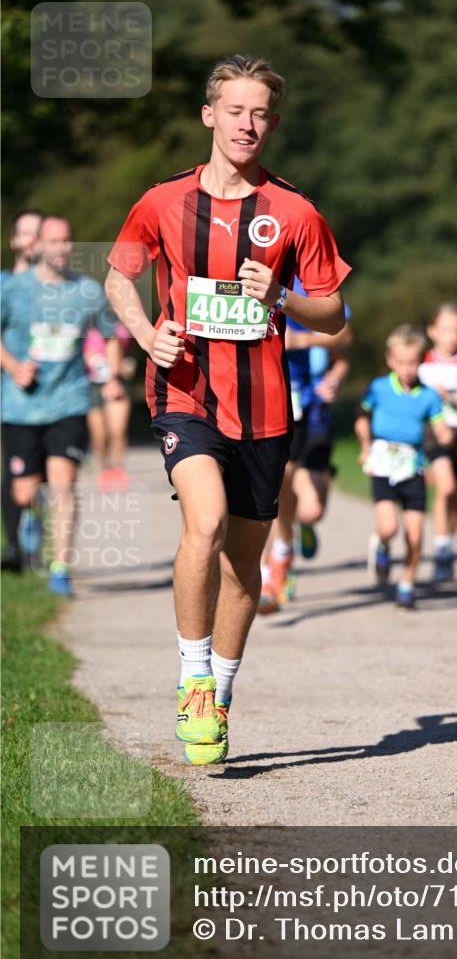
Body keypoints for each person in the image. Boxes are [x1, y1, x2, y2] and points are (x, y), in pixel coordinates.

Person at [104, 55, 350, 766]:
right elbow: (120, 275)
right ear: (209, 115)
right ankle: (191, 681)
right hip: (186, 394)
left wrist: (279, 298)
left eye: (260, 114)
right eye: (235, 110)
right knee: (203, 522)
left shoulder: (295, 212)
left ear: (272, 123)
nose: (247, 124)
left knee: (246, 567)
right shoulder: (162, 201)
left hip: (266, 409)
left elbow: (331, 314)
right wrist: (148, 334)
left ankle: (222, 689)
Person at [0, 215, 123, 595]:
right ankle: (31, 517)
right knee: (23, 491)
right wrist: (13, 366)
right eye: (53, 241)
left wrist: (112, 377)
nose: (61, 248)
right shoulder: (14, 289)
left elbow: (111, 333)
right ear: (38, 246)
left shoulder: (86, 291)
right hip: (21, 405)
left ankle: (60, 566)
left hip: (69, 400)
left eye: (67, 240)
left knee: (64, 483)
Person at [259, 278, 352, 613]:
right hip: (282, 401)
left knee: (311, 509)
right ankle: (281, 556)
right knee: (282, 479)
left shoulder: (316, 282)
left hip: (317, 412)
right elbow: (266, 339)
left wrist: (335, 376)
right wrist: (314, 335)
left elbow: (342, 337)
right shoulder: (263, 279)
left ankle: (300, 528)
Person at [355, 324, 452, 610]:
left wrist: (447, 433)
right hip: (383, 464)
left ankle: (407, 584)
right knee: (388, 527)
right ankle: (382, 545)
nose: (408, 369)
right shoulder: (379, 388)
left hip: (413, 467)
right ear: (390, 360)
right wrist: (364, 446)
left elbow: (440, 428)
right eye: (402, 362)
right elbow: (362, 416)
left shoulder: (429, 396)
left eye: (413, 362)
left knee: (415, 534)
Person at [418, 302, 457, 581]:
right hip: (434, 434)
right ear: (432, 331)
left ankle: (449, 544)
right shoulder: (422, 363)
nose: (451, 336)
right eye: (445, 330)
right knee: (446, 487)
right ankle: (440, 550)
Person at [1, 209, 43, 572]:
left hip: (57, 397)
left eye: (38, 233)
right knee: (16, 474)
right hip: (14, 398)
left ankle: (37, 541)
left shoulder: (59, 286)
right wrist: (14, 366)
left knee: (48, 473)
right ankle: (14, 547)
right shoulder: (3, 285)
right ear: (15, 240)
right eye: (26, 233)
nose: (32, 239)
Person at [84, 321, 135, 491]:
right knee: (99, 433)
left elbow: (128, 352)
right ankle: (105, 467)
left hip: (118, 382)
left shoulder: (122, 323)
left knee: (118, 430)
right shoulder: (85, 323)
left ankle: (118, 468)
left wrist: (125, 365)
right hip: (93, 384)